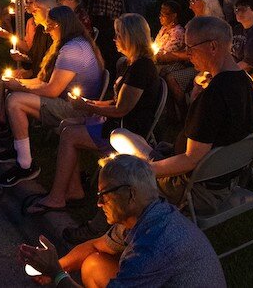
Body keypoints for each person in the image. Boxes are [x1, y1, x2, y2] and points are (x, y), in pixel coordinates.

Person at [111, 16, 253, 213]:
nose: (188, 54)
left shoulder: (214, 95)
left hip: (194, 188)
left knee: (119, 138)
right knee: (130, 141)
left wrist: (144, 170)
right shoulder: (245, 82)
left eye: (191, 47)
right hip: (224, 177)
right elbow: (214, 134)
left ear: (213, 46)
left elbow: (191, 160)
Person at [19, 155, 226, 288]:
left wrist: (56, 274)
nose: (99, 203)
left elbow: (147, 254)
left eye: (104, 194)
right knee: (93, 263)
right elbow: (93, 246)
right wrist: (54, 265)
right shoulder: (149, 216)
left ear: (131, 194)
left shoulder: (152, 245)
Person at [24, 14, 160, 215]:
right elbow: (117, 101)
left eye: (119, 35)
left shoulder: (142, 68)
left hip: (126, 132)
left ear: (132, 37)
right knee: (66, 126)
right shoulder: (134, 63)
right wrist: (90, 103)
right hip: (118, 122)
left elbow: (121, 109)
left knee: (69, 134)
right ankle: (74, 190)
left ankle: (57, 197)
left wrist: (87, 107)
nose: (114, 39)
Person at [0, 6, 104, 187]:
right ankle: (19, 149)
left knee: (15, 101)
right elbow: (42, 81)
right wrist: (17, 83)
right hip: (68, 101)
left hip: (77, 109)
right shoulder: (68, 43)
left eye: (50, 25)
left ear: (61, 25)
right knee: (13, 91)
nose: (46, 29)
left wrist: (20, 87)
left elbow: (51, 90)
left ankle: (25, 165)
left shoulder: (72, 49)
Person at [0, 0, 56, 136]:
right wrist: (23, 59)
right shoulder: (41, 29)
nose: (31, 10)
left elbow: (47, 67)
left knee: (13, 90)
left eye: (35, 7)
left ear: (48, 9)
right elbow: (34, 56)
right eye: (29, 5)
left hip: (45, 80)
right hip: (38, 73)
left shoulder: (54, 34)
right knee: (6, 80)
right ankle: (2, 120)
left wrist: (26, 74)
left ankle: (12, 133)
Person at [164, 0, 223, 121]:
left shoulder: (214, 25)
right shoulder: (192, 23)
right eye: (190, 2)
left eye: (193, 1)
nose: (190, 6)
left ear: (206, 1)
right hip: (189, 62)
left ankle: (186, 115)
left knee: (172, 78)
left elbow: (199, 52)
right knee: (164, 71)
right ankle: (172, 114)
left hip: (205, 66)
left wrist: (173, 55)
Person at [151, 0, 187, 75]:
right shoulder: (163, 29)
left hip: (170, 65)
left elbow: (167, 55)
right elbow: (156, 46)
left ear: (174, 16)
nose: (160, 17)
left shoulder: (178, 32)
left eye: (163, 15)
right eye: (160, 14)